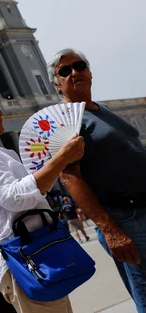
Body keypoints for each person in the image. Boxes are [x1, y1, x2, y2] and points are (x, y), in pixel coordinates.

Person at [0, 87, 84, 313]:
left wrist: (58, 162)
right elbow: (15, 197)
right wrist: (62, 158)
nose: (1, 111)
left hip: (35, 250)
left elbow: (31, 191)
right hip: (22, 257)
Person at [49, 48, 146, 312]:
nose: (74, 73)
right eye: (64, 71)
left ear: (90, 73)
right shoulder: (64, 120)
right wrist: (109, 229)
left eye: (79, 66)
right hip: (126, 217)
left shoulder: (101, 111)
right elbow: (69, 177)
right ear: (56, 83)